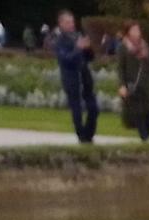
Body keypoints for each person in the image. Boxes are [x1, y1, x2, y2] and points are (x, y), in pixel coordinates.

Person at [50, 11, 98, 142]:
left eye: (72, 22)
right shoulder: (58, 41)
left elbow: (90, 57)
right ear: (61, 24)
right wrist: (77, 48)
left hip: (84, 76)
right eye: (68, 22)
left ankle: (89, 134)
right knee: (76, 109)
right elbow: (66, 60)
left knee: (93, 108)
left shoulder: (78, 36)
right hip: (71, 78)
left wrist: (88, 48)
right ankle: (81, 135)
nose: (71, 25)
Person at [117, 21, 149, 141]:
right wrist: (122, 85)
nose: (137, 32)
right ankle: (144, 137)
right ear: (128, 32)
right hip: (132, 84)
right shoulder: (123, 47)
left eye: (138, 30)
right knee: (138, 112)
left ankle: (147, 135)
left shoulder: (144, 45)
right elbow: (120, 68)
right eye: (134, 30)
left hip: (146, 83)